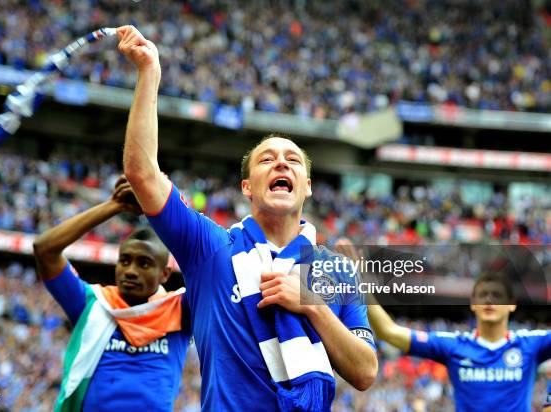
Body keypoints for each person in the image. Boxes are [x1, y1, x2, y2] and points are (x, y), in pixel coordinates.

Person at [117, 24, 378, 411]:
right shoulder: (209, 247)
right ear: (247, 187)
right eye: (267, 159)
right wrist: (149, 73)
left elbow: (365, 372)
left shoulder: (336, 270)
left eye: (292, 160)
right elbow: (142, 174)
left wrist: (311, 305)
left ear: (306, 187)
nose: (280, 163)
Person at [33, 175, 191, 412]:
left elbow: (214, 269)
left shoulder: (182, 309)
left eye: (144, 263)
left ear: (165, 274)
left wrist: (170, 207)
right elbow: (44, 249)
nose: (130, 271)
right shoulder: (93, 304)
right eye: (124, 261)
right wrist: (114, 206)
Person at [364, 257, 550, 412]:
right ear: (473, 304)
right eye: (483, 294)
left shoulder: (530, 343)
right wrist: (360, 281)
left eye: (497, 295)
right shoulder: (454, 345)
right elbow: (387, 330)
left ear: (511, 304)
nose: (489, 300)